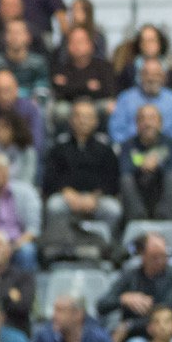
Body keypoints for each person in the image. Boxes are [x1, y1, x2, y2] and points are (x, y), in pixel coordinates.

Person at [42, 100, 123, 244]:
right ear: (71, 120)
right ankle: (57, 246)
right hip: (67, 198)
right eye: (78, 116)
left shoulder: (105, 150)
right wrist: (67, 193)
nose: (82, 121)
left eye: (87, 117)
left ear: (95, 121)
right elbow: (51, 178)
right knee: (54, 206)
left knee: (113, 209)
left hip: (97, 199)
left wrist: (95, 197)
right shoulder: (59, 148)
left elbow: (112, 180)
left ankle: (106, 247)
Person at [97, 233, 172, 342]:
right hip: (137, 338)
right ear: (142, 256)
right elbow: (102, 305)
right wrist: (123, 299)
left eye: (163, 255)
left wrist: (130, 325)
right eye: (155, 257)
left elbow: (169, 312)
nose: (160, 261)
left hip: (169, 337)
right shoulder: (130, 276)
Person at [119, 104, 172, 222]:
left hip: (162, 190)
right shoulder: (128, 145)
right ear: (137, 124)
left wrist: (157, 165)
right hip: (138, 191)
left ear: (160, 123)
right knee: (126, 179)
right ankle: (137, 219)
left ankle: (165, 218)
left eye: (152, 118)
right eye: (142, 119)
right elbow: (124, 169)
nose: (147, 123)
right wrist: (142, 165)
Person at [112, 58, 172, 145]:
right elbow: (116, 133)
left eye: (156, 75)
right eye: (146, 74)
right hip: (132, 149)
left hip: (166, 151)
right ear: (140, 76)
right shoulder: (125, 99)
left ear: (164, 77)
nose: (151, 78)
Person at [32, 296, 113, 342]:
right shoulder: (44, 337)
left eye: (60, 310)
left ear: (78, 314)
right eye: (54, 310)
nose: (54, 316)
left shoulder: (99, 339)